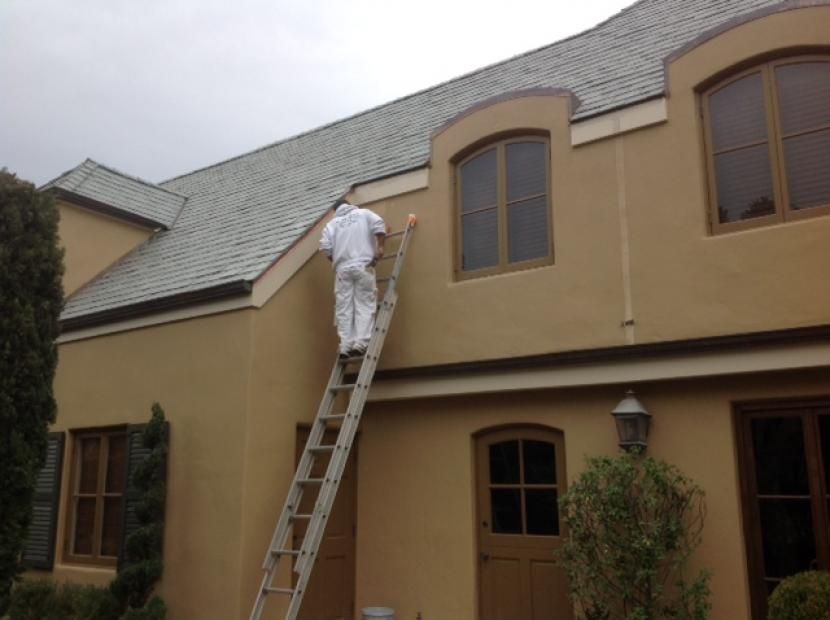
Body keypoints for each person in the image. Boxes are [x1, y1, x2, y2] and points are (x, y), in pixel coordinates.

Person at [319, 199, 387, 358]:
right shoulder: (364, 214)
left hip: (343, 271)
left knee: (344, 308)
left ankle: (345, 345)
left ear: (335, 210)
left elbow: (326, 248)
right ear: (350, 204)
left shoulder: (331, 225)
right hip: (363, 265)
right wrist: (380, 247)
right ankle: (360, 343)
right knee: (363, 303)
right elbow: (379, 226)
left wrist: (338, 260)